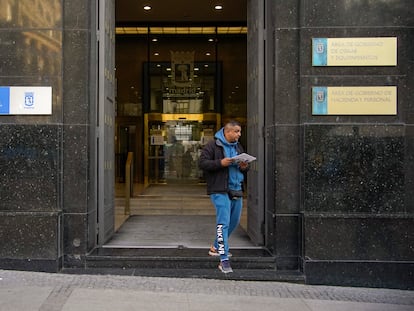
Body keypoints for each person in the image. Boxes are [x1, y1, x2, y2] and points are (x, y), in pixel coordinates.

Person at [198, 120, 249, 273]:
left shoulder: (238, 146)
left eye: (240, 131)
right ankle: (224, 259)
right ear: (227, 132)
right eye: (236, 131)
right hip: (219, 190)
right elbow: (202, 163)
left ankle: (215, 247)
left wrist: (244, 167)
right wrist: (221, 163)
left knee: (234, 222)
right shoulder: (212, 145)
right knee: (223, 223)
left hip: (236, 189)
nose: (239, 134)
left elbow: (244, 169)